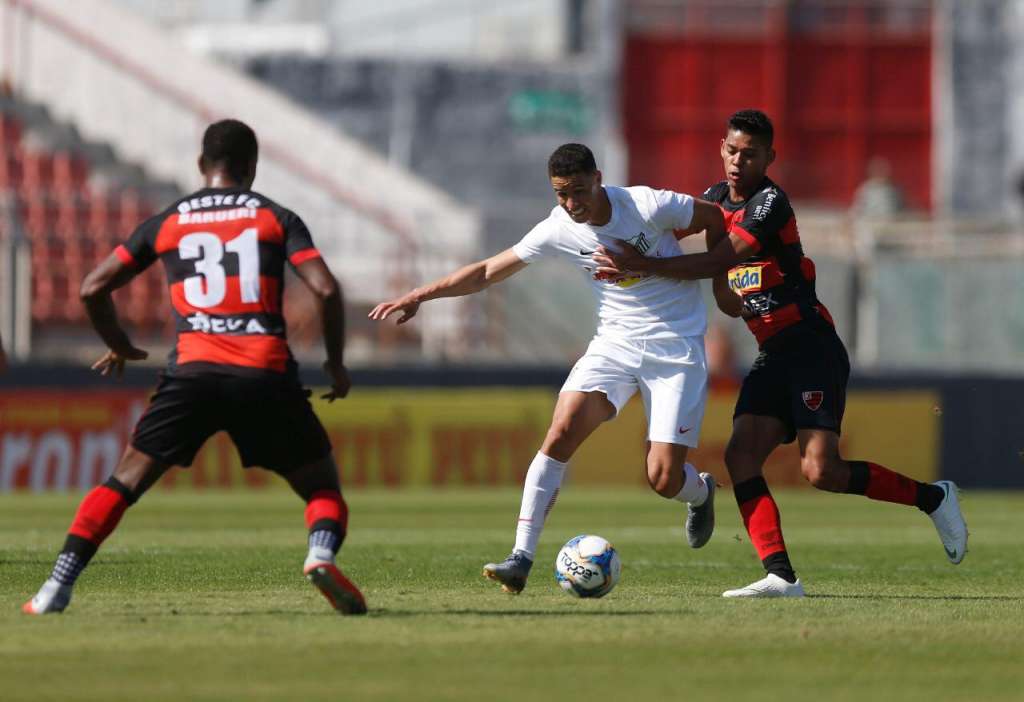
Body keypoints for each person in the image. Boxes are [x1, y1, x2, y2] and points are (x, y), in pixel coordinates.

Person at [593, 109, 967, 598]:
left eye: (749, 154)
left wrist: (641, 265)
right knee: (740, 455)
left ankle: (933, 497)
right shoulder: (712, 202)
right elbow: (675, 238)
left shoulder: (770, 203)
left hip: (811, 345)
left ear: (769, 157)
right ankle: (781, 576)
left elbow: (722, 259)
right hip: (772, 352)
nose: (737, 161)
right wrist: (604, 227)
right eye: (731, 150)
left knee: (821, 471)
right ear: (721, 149)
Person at [23, 119, 366, 615]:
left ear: (202, 165)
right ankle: (319, 554)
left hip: (192, 373)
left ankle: (56, 588)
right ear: (251, 167)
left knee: (124, 481)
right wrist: (335, 363)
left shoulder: (169, 220)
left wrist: (119, 343)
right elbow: (328, 290)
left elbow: (91, 287)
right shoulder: (275, 217)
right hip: (263, 372)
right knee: (321, 486)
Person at [370, 143, 724, 594]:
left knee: (662, 478)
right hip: (614, 342)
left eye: (579, 191)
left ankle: (700, 493)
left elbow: (713, 217)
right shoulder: (559, 227)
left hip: (676, 346)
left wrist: (711, 276)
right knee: (560, 431)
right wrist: (422, 294)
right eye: (562, 194)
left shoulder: (648, 204)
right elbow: (486, 271)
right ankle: (520, 558)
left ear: (598, 178)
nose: (572, 204)